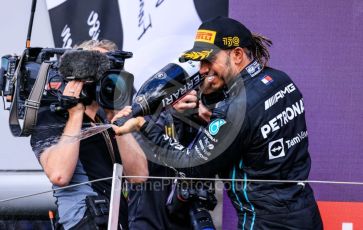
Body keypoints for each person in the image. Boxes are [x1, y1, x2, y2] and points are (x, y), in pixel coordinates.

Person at [112, 16, 323, 229]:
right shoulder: (281, 80)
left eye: (208, 60)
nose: (202, 69)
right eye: (200, 61)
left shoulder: (236, 109)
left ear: (237, 54)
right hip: (306, 212)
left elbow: (192, 166)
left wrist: (142, 125)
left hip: (266, 223)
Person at [30, 39, 148, 230]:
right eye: (97, 69)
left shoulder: (105, 120)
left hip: (115, 222)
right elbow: (59, 175)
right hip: (81, 222)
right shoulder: (52, 116)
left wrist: (115, 117)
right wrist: (76, 112)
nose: (103, 77)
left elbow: (139, 176)